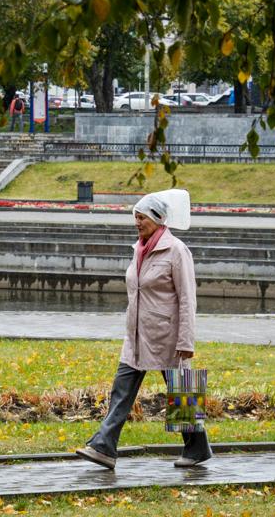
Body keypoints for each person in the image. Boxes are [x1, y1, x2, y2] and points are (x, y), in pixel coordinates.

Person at [76, 189, 213, 470]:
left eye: (142, 218)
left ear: (158, 219)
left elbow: (188, 299)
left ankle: (197, 448)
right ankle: (104, 446)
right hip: (137, 336)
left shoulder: (176, 250)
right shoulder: (138, 249)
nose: (137, 222)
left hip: (168, 336)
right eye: (135, 217)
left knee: (182, 391)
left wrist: (186, 340)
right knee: (121, 390)